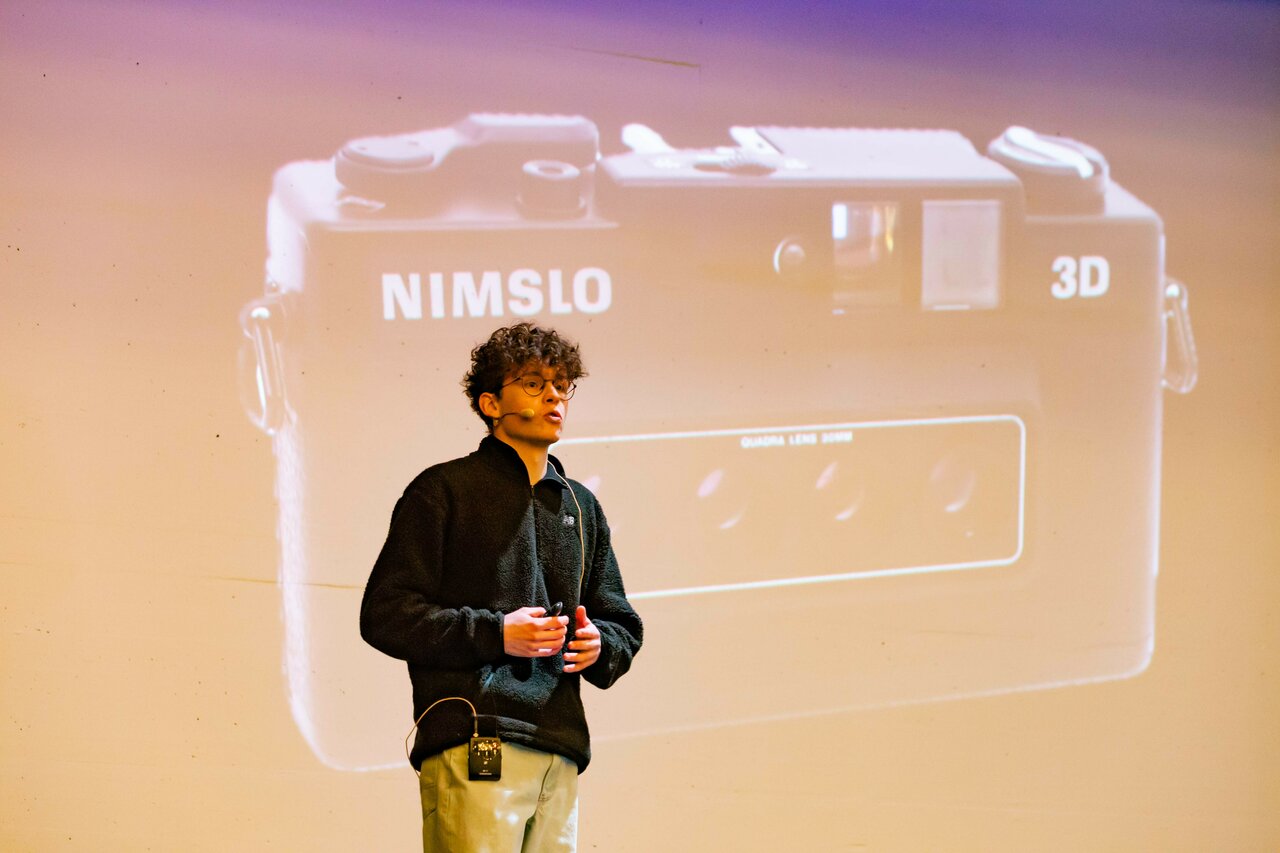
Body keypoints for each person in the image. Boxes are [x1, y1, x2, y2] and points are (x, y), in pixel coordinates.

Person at [360, 322, 643, 852]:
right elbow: (386, 613)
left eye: (562, 385)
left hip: (560, 745)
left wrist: (599, 644)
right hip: (476, 734)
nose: (554, 396)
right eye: (533, 384)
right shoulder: (443, 489)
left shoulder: (580, 505)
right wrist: (498, 634)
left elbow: (620, 622)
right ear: (491, 404)